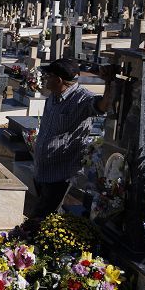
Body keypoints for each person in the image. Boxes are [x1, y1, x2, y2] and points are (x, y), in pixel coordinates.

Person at [31, 58, 116, 218]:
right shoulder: (53, 96)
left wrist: (108, 82)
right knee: (49, 216)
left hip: (60, 174)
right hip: (41, 170)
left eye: (48, 76)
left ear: (59, 80)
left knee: (41, 217)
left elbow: (102, 106)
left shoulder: (81, 98)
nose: (45, 78)